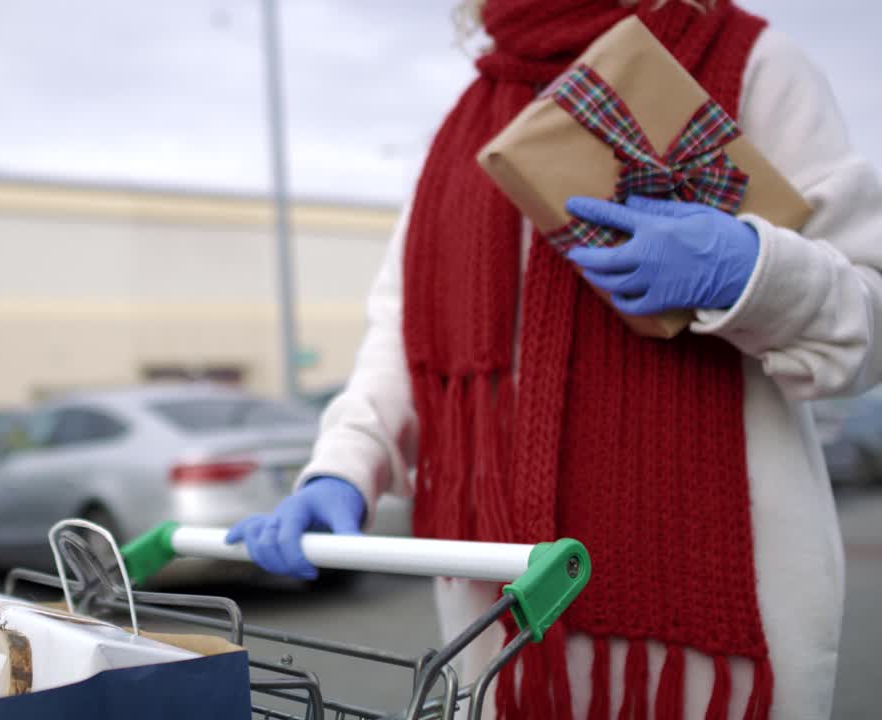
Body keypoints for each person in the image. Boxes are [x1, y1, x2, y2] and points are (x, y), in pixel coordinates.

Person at [227, 0, 882, 717]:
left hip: (715, 646)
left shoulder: (752, 64)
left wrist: (752, 271)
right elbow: (398, 338)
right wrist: (342, 469)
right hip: (503, 629)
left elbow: (869, 311)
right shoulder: (469, 123)